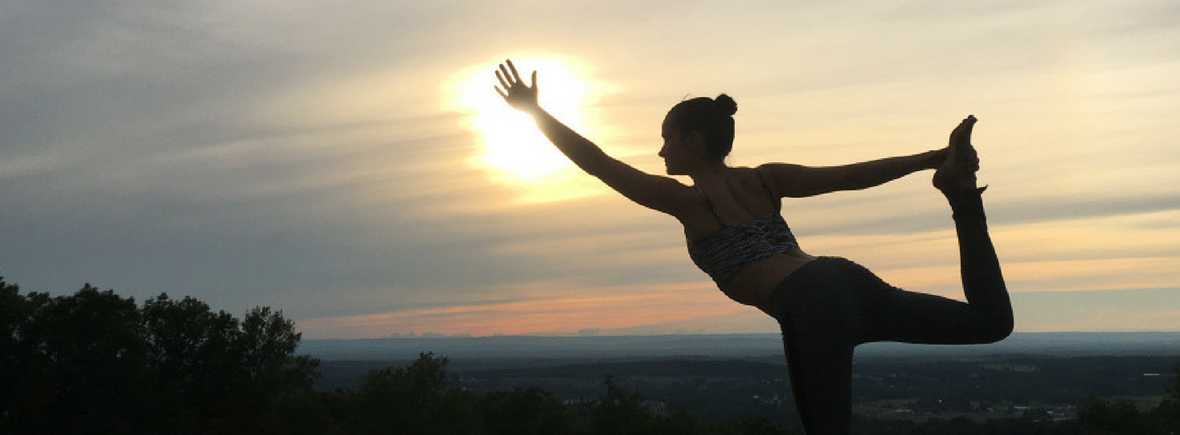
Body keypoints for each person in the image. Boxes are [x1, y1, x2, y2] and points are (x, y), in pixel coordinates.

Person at [494, 59, 1012, 435]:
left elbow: (597, 163)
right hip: (846, 280)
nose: (659, 150)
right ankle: (961, 197)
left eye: (667, 138)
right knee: (990, 323)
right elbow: (849, 176)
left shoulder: (687, 201)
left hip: (812, 301)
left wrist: (535, 113)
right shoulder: (765, 179)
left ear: (693, 140)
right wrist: (933, 158)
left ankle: (957, 190)